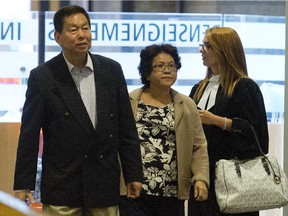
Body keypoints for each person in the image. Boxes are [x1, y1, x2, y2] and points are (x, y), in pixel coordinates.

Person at [13, 5, 143, 216]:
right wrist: (23, 184)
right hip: (62, 185)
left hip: (103, 183)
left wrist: (133, 174)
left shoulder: (111, 70)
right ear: (58, 37)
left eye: (86, 28)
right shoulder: (43, 77)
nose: (82, 35)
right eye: (73, 30)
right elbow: (29, 135)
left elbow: (126, 128)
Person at [119, 43, 209, 216]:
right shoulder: (129, 101)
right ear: (147, 72)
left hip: (171, 192)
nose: (167, 70)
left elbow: (198, 146)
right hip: (134, 190)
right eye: (160, 66)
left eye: (171, 66)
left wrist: (200, 178)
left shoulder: (187, 105)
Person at [188, 27, 269, 216]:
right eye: (202, 45)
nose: (202, 50)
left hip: (235, 180)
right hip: (202, 179)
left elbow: (259, 140)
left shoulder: (245, 87)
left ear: (225, 51)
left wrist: (220, 121)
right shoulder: (198, 89)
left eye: (208, 46)